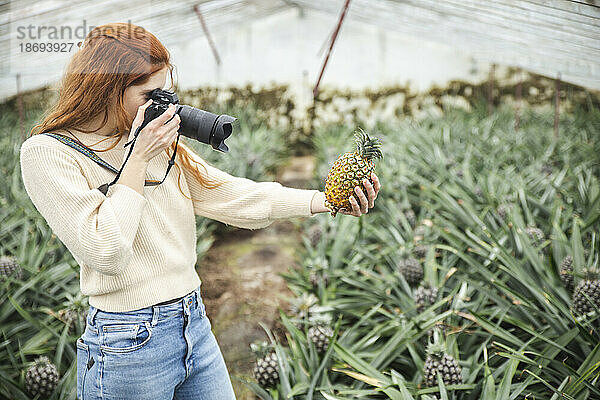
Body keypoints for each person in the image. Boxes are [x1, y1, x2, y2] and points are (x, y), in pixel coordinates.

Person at [19, 22, 381, 400]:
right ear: (107, 90)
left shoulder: (148, 138)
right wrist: (138, 154)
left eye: (166, 91)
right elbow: (106, 250)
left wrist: (325, 200)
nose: (161, 104)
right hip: (126, 342)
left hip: (193, 321)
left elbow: (228, 193)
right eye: (149, 94)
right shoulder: (48, 153)